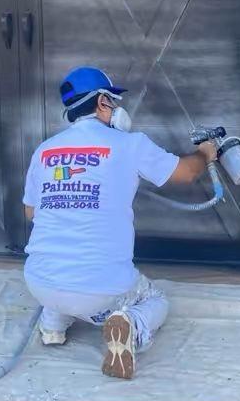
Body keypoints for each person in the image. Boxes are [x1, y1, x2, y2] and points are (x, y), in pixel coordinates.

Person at [22, 66, 218, 380]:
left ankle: (52, 326)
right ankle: (133, 326)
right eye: (113, 100)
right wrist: (205, 153)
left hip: (38, 282)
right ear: (102, 102)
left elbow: (31, 213)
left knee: (63, 274)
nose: (116, 107)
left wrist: (68, 198)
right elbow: (186, 173)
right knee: (156, 300)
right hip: (100, 288)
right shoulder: (129, 144)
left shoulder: (44, 151)